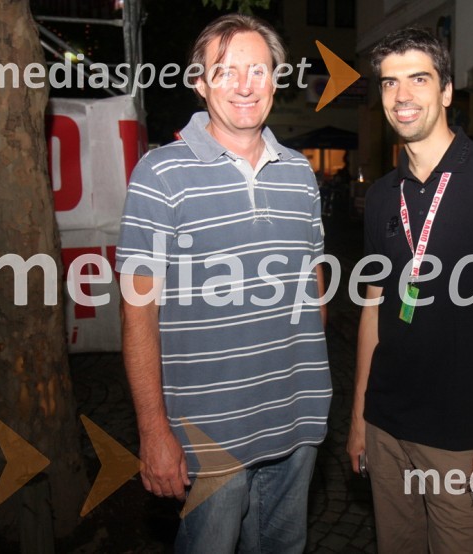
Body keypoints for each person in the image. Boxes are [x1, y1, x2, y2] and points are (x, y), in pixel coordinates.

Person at [116, 14, 331, 554]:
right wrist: (153, 431)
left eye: (258, 70)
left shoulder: (300, 173)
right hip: (207, 437)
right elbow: (137, 312)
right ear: (200, 82)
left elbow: (315, 280)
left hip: (296, 421)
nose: (244, 85)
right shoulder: (159, 174)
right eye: (226, 70)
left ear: (275, 80)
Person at [346, 28, 473, 553]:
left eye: (418, 79)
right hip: (386, 427)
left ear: (447, 90)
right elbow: (372, 311)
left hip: (461, 435)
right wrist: (360, 418)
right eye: (389, 83)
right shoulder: (384, 195)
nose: (402, 96)